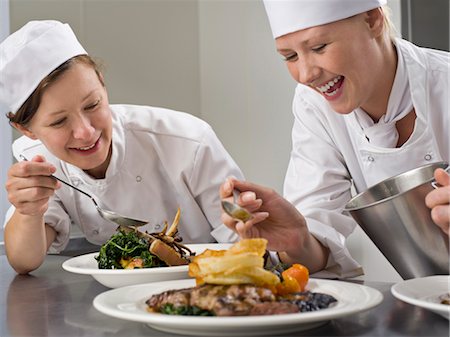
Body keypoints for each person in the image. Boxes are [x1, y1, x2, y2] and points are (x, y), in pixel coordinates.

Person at [220, 0, 450, 278]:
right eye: (290, 56)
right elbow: (317, 237)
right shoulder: (313, 105)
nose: (306, 74)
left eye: (319, 48)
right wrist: (298, 240)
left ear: (371, 20)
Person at [1, 20, 244, 274]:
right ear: (26, 130)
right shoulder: (40, 162)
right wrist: (29, 211)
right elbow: (24, 261)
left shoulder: (188, 142)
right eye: (59, 121)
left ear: (102, 84)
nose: (85, 132)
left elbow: (248, 244)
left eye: (92, 105)